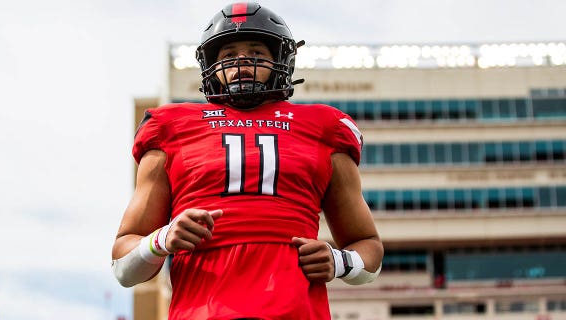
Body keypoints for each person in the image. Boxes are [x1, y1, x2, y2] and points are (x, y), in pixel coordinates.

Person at [111, 2, 384, 319]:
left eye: (256, 52)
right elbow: (122, 267)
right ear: (211, 64)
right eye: (228, 55)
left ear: (281, 59)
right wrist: (163, 238)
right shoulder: (171, 127)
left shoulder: (324, 128)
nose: (242, 61)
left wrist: (339, 261)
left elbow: (368, 245)